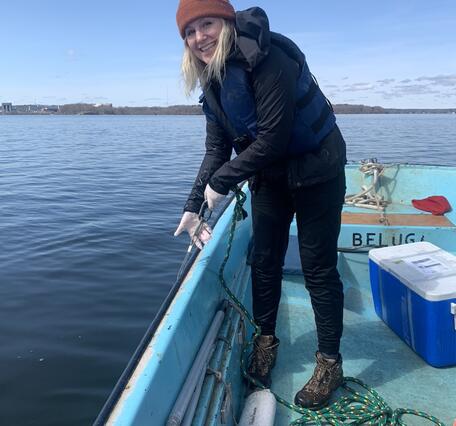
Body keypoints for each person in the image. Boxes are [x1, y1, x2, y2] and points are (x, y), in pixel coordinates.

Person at [173, 0, 347, 410]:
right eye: (189, 32)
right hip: (269, 177)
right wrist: (194, 204)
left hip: (317, 171)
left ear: (228, 23)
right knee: (265, 261)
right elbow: (217, 149)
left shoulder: (269, 60)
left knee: (317, 266)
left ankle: (329, 363)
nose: (200, 37)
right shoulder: (213, 82)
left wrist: (222, 182)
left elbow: (272, 135)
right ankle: (265, 342)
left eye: (207, 24)